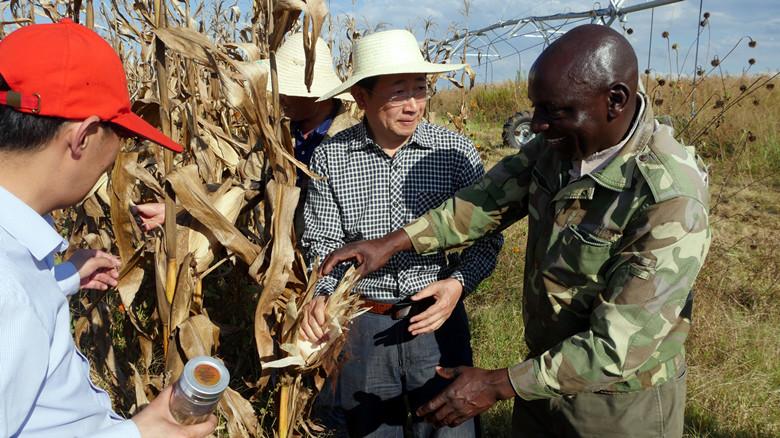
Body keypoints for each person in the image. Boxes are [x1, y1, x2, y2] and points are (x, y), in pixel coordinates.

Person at [319, 24, 711, 437]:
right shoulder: (559, 142)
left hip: (616, 403)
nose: (537, 125)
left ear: (614, 101)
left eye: (553, 111)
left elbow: (619, 346)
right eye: (536, 109)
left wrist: (497, 384)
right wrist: (393, 243)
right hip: (539, 381)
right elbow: (484, 203)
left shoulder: (669, 197)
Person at [0, 19, 216, 438]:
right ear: (83, 136)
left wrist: (64, 278)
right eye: (118, 132)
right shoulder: (10, 292)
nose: (117, 154)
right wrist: (141, 432)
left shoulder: (17, 259)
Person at [299, 29, 503, 437]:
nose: (413, 105)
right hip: (361, 326)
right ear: (361, 97)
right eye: (398, 93)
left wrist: (457, 285)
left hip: (438, 321)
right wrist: (323, 296)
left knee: (450, 427)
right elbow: (321, 242)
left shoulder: (454, 153)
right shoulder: (331, 157)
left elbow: (488, 237)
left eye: (420, 89)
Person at [132, 32, 357, 238]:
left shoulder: (356, 141)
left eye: (288, 87)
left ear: (316, 90)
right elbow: (241, 188)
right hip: (280, 264)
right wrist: (176, 209)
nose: (279, 95)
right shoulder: (275, 136)